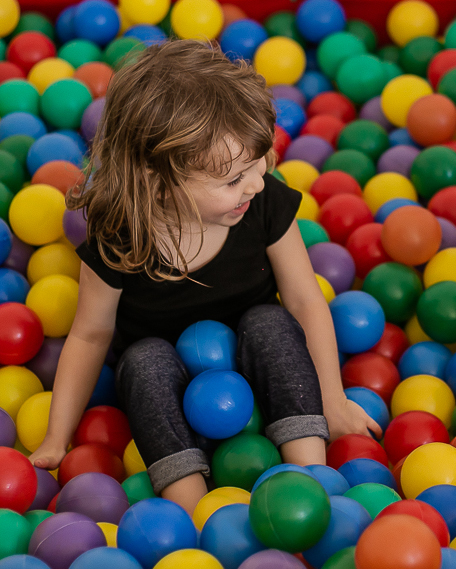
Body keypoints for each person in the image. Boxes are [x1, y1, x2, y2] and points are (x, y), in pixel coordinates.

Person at [29, 40, 379, 514]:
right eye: (233, 179)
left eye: (258, 163)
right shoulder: (120, 240)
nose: (255, 184)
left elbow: (303, 301)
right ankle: (193, 512)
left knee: (270, 324)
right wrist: (56, 437)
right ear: (157, 179)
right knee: (143, 360)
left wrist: (332, 400)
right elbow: (91, 336)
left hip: (255, 361)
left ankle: (308, 479)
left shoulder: (264, 204)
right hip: (170, 379)